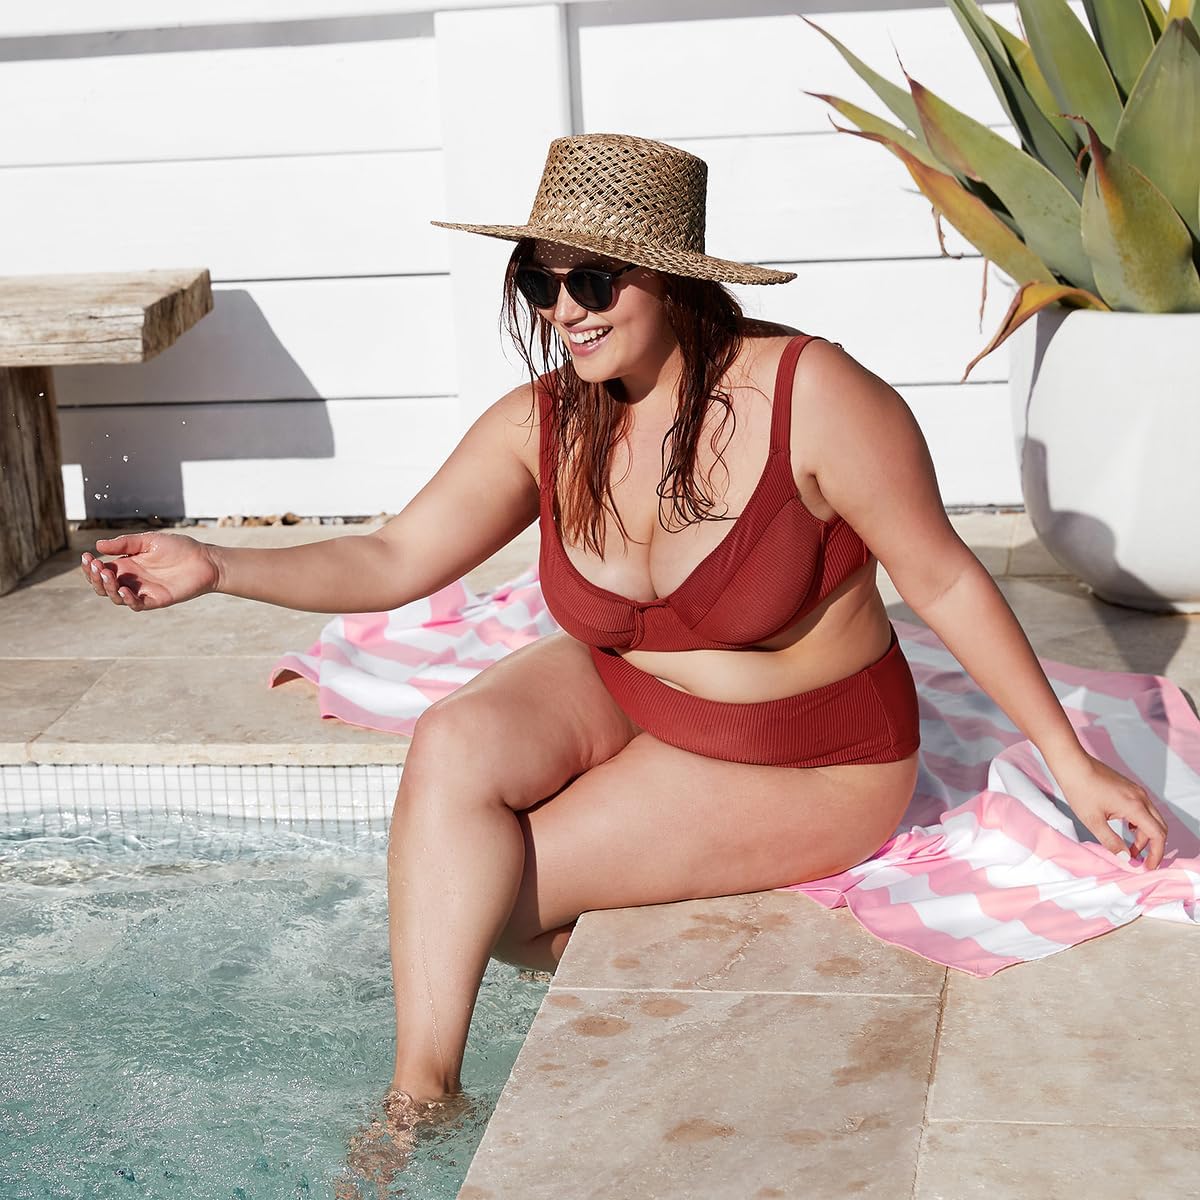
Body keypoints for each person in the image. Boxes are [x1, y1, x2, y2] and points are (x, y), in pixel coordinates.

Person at [79, 133, 1168, 1136]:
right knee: (451, 746)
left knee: (490, 907)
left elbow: (946, 580)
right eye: (539, 281)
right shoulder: (547, 419)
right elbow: (394, 557)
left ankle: (665, 987)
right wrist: (217, 566)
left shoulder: (816, 396)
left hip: (805, 755)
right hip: (627, 688)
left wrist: (1070, 763)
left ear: (674, 278)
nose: (566, 309)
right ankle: (421, 1097)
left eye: (593, 281)